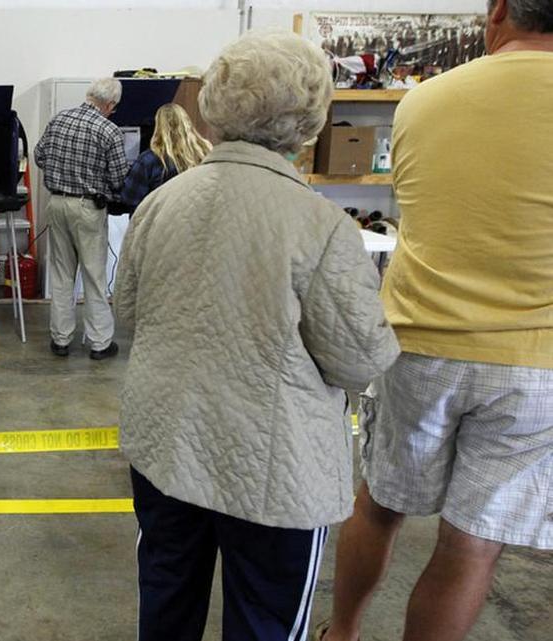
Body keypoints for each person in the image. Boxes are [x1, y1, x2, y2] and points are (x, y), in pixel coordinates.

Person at [113, 31, 399, 641]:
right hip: (275, 464)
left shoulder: (161, 204)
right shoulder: (320, 225)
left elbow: (128, 315)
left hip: (167, 441)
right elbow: (359, 360)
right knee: (266, 618)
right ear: (309, 119)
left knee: (166, 598)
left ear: (215, 105)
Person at [318, 2, 553, 640]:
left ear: (498, 12)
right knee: (471, 543)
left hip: (421, 340)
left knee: (380, 505)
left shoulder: (424, 101)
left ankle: (342, 632)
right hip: (535, 364)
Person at [34, 77, 128, 360]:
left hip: (57, 203)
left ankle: (60, 340)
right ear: (109, 104)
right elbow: (119, 178)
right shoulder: (110, 130)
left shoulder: (59, 119)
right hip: (88, 208)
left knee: (62, 274)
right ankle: (99, 343)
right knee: (94, 276)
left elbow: (39, 156)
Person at [117, 102, 211, 212]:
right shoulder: (204, 153)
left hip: (155, 219)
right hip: (194, 217)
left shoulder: (148, 160)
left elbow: (130, 198)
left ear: (157, 127)